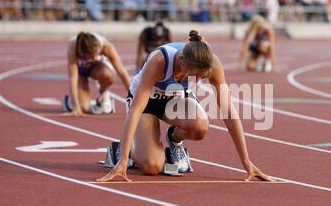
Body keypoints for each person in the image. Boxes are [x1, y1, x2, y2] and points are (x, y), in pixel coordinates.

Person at [97, 30, 274, 182]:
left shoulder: (212, 64)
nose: (197, 81)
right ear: (181, 62)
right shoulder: (159, 61)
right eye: (195, 76)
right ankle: (121, 150)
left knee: (200, 126)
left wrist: (246, 162)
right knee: (151, 166)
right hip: (147, 103)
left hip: (175, 100)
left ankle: (174, 140)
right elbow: (136, 110)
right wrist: (122, 161)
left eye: (202, 77)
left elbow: (229, 112)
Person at [66, 31, 131, 116]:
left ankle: (103, 94)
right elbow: (73, 77)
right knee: (83, 107)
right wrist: (76, 107)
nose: (95, 57)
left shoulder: (106, 46)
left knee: (107, 74)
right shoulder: (73, 47)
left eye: (96, 54)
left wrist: (134, 98)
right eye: (92, 56)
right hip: (80, 72)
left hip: (96, 68)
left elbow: (122, 72)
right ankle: (69, 101)